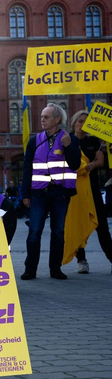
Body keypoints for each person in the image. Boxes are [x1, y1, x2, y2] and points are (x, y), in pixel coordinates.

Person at [20, 103, 81, 280]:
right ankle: (30, 269)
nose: (42, 120)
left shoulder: (70, 139)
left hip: (60, 194)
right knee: (34, 232)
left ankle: (55, 269)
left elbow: (75, 165)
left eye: (46, 117)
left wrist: (69, 147)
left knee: (58, 233)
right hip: (38, 193)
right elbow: (26, 169)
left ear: (57, 119)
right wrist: (25, 194)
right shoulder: (34, 141)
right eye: (41, 116)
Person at [67, 110, 112, 274]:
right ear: (73, 122)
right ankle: (82, 260)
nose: (82, 124)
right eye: (79, 121)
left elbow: (100, 160)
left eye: (86, 121)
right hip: (74, 190)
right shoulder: (68, 140)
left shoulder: (94, 140)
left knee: (102, 226)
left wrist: (89, 167)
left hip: (92, 189)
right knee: (79, 225)